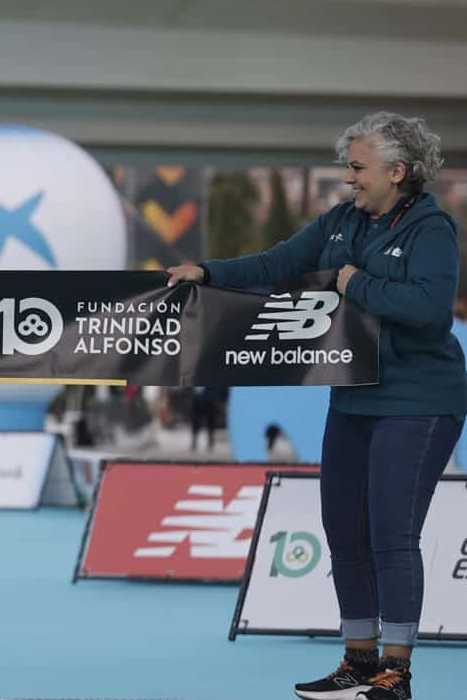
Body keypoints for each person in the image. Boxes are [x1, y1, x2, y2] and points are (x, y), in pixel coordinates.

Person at [169, 112, 462, 700]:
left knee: (391, 533)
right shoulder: (340, 221)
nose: (347, 178)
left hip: (419, 400)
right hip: (353, 397)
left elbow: (429, 310)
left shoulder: (432, 228)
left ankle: (395, 672)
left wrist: (352, 281)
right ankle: (357, 659)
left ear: (397, 171)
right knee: (342, 530)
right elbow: (277, 264)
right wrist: (206, 271)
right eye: (347, 167)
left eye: (357, 168)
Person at [187, 385, 220, 452]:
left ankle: (210, 442)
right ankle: (194, 442)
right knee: (195, 423)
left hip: (209, 400)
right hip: (197, 401)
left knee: (210, 422)